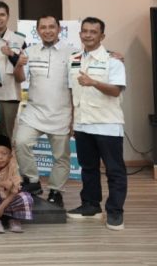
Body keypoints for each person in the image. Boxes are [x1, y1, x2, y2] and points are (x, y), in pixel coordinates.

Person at [66, 17, 127, 231]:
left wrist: (94, 82)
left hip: (107, 124)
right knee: (88, 168)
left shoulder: (113, 61)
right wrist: (72, 121)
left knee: (114, 170)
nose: (88, 35)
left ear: (102, 36)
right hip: (83, 124)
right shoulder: (73, 59)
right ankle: (91, 206)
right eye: (85, 31)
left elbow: (116, 90)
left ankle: (115, 212)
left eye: (93, 32)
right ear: (80, 34)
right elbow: (73, 92)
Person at [13, 15, 72, 205]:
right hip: (34, 112)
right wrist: (18, 64)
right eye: (43, 27)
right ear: (37, 31)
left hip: (61, 113)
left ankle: (56, 191)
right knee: (21, 142)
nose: (47, 31)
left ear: (59, 29)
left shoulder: (71, 53)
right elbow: (20, 78)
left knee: (61, 157)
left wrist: (112, 54)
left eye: (51, 27)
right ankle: (32, 181)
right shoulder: (29, 51)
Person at [0, 1, 26, 139]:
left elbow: (22, 72)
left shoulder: (19, 39)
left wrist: (11, 55)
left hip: (10, 95)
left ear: (8, 16)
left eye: (2, 15)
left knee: (6, 136)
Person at [0, 134, 34, 234]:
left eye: (4, 154)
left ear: (10, 156)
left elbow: (16, 190)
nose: (0, 157)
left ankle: (13, 218)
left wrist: (1, 207)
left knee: (26, 197)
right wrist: (2, 183)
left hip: (8, 201)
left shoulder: (13, 167)